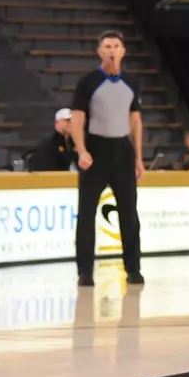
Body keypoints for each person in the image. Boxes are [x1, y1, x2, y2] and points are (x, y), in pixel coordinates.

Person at [72, 31, 144, 287]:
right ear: (99, 51)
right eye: (107, 46)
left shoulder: (132, 82)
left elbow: (135, 120)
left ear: (123, 51)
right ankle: (85, 272)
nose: (112, 50)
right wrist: (81, 150)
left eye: (116, 46)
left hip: (122, 151)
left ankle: (133, 269)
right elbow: (77, 118)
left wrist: (138, 158)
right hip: (96, 149)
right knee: (87, 212)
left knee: (129, 213)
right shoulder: (88, 82)